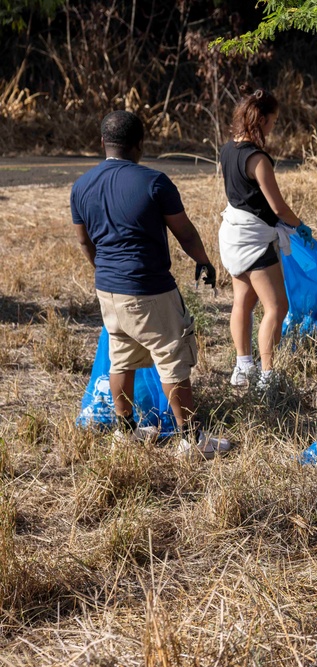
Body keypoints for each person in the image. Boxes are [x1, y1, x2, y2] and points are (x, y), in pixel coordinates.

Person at [71, 110, 231, 460]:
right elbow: (184, 231)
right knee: (172, 358)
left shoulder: (81, 186)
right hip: (149, 287)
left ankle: (124, 433)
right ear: (140, 145)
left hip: (108, 291)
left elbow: (85, 242)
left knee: (121, 359)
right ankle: (191, 440)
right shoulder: (154, 182)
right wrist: (203, 260)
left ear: (102, 143)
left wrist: (103, 269)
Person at [218, 85, 314, 391]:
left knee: (242, 303)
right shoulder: (258, 159)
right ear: (260, 120)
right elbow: (277, 206)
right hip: (254, 240)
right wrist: (300, 226)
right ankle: (268, 374)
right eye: (272, 121)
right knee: (277, 307)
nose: (273, 127)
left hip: (233, 234)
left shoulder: (227, 148)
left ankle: (242, 366)